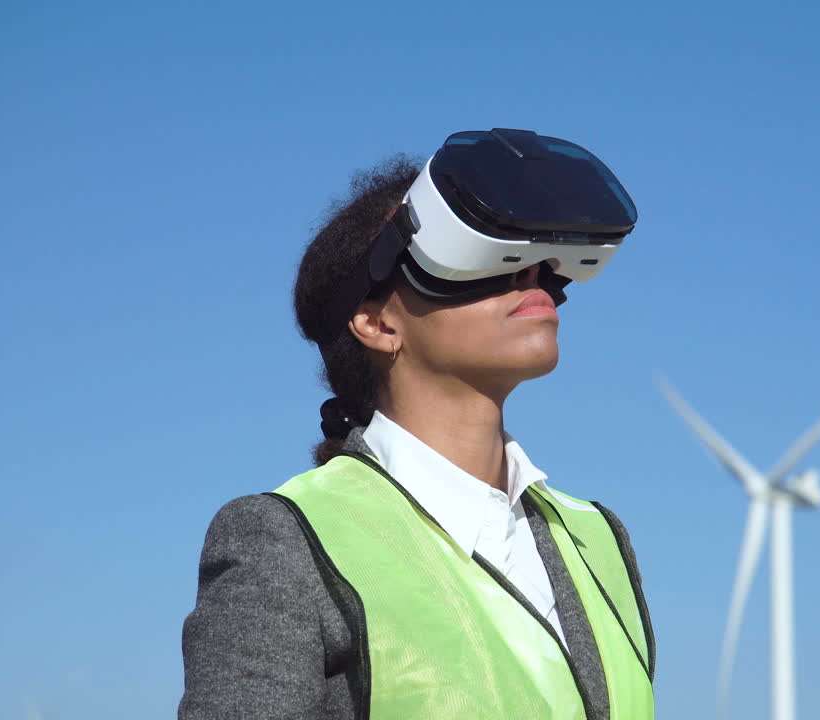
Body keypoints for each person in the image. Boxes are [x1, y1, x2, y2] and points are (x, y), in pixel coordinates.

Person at [179, 129, 656, 719]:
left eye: (532, 253)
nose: (528, 274)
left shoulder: (599, 539)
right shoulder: (287, 541)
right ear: (377, 325)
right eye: (476, 251)